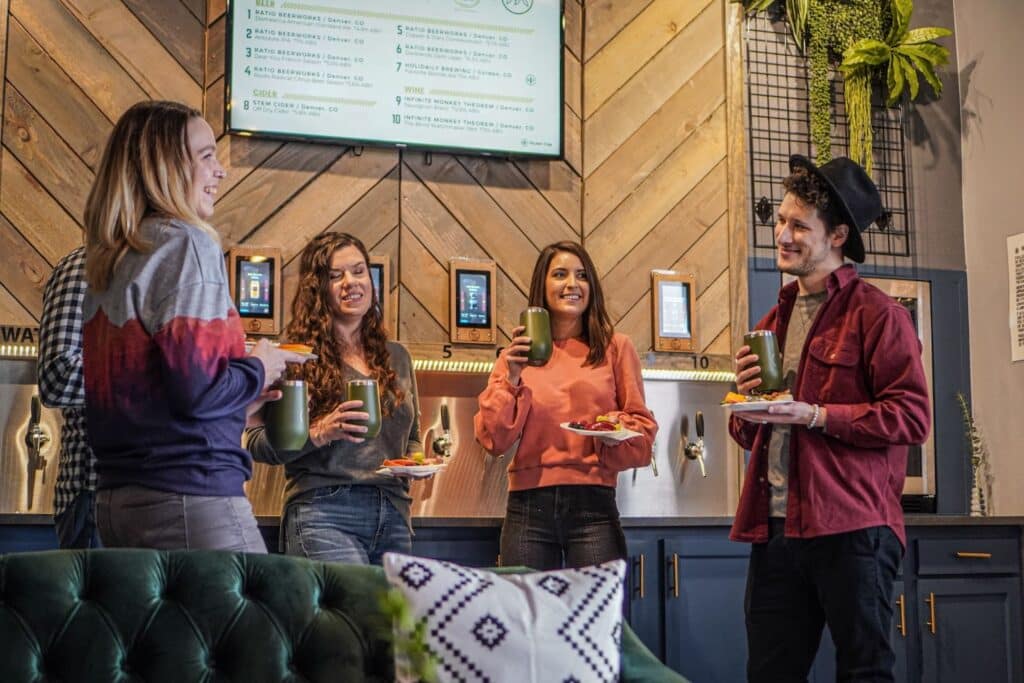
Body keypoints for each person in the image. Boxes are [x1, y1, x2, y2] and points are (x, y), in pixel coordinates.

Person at [729, 155, 931, 682]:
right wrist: (746, 401)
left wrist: (817, 415)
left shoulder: (879, 316)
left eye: (799, 226)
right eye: (780, 220)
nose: (782, 234)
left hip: (854, 529)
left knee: (864, 672)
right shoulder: (773, 319)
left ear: (838, 235)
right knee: (771, 674)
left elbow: (911, 417)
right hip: (775, 529)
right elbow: (749, 432)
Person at [81, 100, 301, 552]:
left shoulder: (113, 258)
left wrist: (241, 394)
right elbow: (196, 392)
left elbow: (156, 396)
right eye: (206, 156)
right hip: (191, 498)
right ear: (164, 167)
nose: (220, 171)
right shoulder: (187, 244)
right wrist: (261, 364)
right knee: (266, 625)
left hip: (116, 501)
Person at [474, 241, 657, 570]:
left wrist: (611, 427)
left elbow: (641, 440)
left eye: (582, 276)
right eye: (560, 274)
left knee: (596, 618)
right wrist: (512, 377)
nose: (572, 284)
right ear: (542, 287)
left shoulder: (616, 348)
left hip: (594, 506)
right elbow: (493, 440)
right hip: (528, 507)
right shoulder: (514, 356)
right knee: (529, 619)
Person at [245, 232, 422, 565]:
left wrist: (413, 462)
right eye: (335, 275)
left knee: (389, 619)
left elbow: (410, 438)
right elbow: (257, 444)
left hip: (395, 513)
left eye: (358, 271)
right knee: (347, 617)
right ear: (318, 289)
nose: (350, 283)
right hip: (323, 512)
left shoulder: (398, 356)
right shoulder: (294, 358)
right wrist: (319, 432)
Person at [37, 246, 100, 549]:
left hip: (160, 494)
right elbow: (57, 377)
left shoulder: (169, 265)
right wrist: (155, 378)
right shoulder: (84, 267)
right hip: (93, 495)